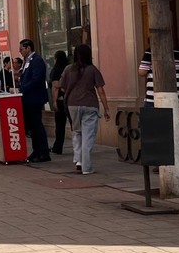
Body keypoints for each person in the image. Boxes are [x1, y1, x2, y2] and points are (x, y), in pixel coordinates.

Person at [59, 43, 111, 174]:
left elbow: (62, 87)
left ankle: (78, 160)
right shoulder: (92, 70)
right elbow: (100, 90)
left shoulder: (68, 69)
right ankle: (86, 167)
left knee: (77, 132)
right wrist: (106, 108)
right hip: (89, 104)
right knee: (88, 135)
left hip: (72, 104)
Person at [18, 39, 50, 163]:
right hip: (28, 99)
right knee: (32, 126)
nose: (20, 52)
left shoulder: (37, 61)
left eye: (21, 49)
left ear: (28, 48)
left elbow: (36, 80)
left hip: (34, 98)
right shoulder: (27, 61)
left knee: (37, 125)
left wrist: (22, 88)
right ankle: (36, 151)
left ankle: (43, 152)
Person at [49, 50, 70, 155]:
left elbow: (55, 87)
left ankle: (58, 147)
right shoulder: (69, 68)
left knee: (60, 125)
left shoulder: (56, 70)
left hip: (61, 101)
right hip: (71, 99)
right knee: (74, 125)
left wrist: (54, 101)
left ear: (56, 59)